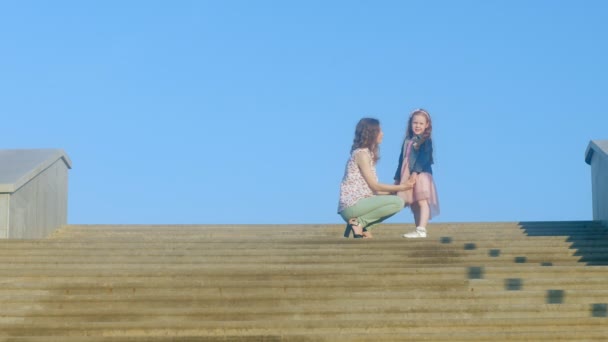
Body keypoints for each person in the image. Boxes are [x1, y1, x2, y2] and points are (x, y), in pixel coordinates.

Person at [338, 118, 413, 239]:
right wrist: (402, 186)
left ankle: (363, 227)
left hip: (360, 203)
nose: (382, 134)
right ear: (371, 133)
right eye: (379, 131)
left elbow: (376, 191)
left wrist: (397, 191)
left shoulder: (367, 154)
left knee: (399, 199)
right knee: (398, 202)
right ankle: (360, 223)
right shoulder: (361, 154)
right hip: (352, 206)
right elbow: (375, 186)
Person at [394, 108, 440, 238]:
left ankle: (422, 229)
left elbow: (423, 158)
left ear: (427, 125)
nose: (417, 126)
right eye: (415, 123)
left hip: (421, 174)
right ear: (410, 124)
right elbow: (401, 160)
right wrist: (397, 177)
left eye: (421, 123)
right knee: (414, 203)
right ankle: (418, 228)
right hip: (407, 174)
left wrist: (415, 173)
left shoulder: (426, 140)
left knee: (422, 201)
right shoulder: (407, 141)